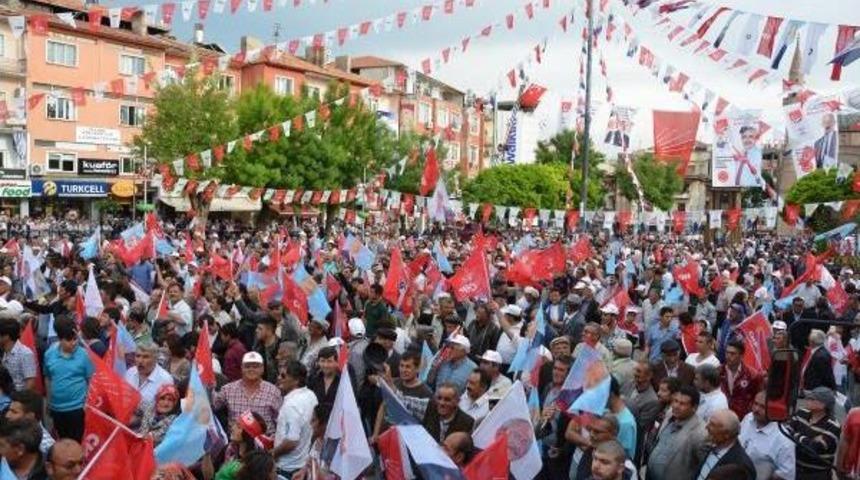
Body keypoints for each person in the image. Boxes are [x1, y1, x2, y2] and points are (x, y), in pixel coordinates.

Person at [43, 317, 93, 441]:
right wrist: (49, 401)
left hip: (77, 409)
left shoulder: (84, 355)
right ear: (60, 339)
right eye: (69, 340)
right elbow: (48, 378)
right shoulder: (49, 354)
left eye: (75, 338)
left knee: (76, 443)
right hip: (57, 409)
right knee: (63, 442)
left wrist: (87, 404)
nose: (73, 343)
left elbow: (91, 380)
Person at [646, 385, 708, 480]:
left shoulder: (700, 433)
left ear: (694, 407)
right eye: (675, 401)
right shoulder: (670, 414)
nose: (676, 406)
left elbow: (702, 468)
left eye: (682, 404)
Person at [213, 351, 282, 435]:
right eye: (247, 366)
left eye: (255, 367)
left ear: (263, 368)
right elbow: (213, 405)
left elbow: (280, 420)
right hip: (237, 442)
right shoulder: (228, 389)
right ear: (241, 368)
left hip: (265, 443)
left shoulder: (273, 391)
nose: (251, 369)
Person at [273, 360, 318, 479]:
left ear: (296, 380)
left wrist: (272, 453)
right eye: (279, 374)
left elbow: (291, 441)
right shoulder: (310, 395)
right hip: (302, 464)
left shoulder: (292, 405)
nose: (279, 378)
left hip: (287, 468)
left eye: (283, 375)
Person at [738, 391, 795, 480]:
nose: (756, 409)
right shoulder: (748, 418)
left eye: (763, 407)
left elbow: (786, 475)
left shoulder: (784, 440)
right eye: (755, 403)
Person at [787, 386, 841, 480]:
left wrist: (795, 436)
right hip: (795, 469)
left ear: (823, 405)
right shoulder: (801, 413)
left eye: (812, 399)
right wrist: (807, 440)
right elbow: (786, 432)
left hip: (817, 474)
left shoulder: (833, 426)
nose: (807, 400)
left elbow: (813, 449)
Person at [695, 409, 755, 480]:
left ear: (726, 434)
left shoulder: (741, 465)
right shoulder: (711, 447)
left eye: (712, 425)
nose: (706, 427)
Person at [622, 361, 661, 466]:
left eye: (639, 371)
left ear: (649, 376)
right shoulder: (629, 384)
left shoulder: (652, 401)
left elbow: (640, 425)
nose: (635, 373)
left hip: (632, 440)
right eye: (635, 370)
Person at [215, 411, 274, 480]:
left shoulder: (258, 461)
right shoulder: (228, 449)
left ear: (247, 434)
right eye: (235, 424)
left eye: (238, 427)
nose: (233, 428)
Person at [719, 339, 762, 420]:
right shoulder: (718, 372)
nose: (728, 356)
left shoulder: (752, 375)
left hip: (743, 417)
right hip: (722, 415)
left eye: (732, 354)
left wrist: (749, 412)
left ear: (741, 356)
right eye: (727, 353)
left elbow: (757, 397)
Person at [124, 341, 174, 407]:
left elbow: (166, 408)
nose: (140, 361)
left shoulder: (165, 380)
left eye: (145, 357)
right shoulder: (130, 372)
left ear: (155, 359)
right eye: (138, 356)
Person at [6, 390, 55, 455]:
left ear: (30, 416)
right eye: (9, 410)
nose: (7, 415)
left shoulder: (45, 447)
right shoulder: (10, 431)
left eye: (14, 412)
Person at [0, 318, 37, 391]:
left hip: (19, 398)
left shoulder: (25, 353)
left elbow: (31, 382)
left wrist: (20, 400)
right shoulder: (3, 352)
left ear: (6, 336)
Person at [836, 406, 860, 479]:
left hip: (850, 470)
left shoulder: (855, 413)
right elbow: (844, 441)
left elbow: (845, 441)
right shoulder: (854, 413)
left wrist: (839, 466)